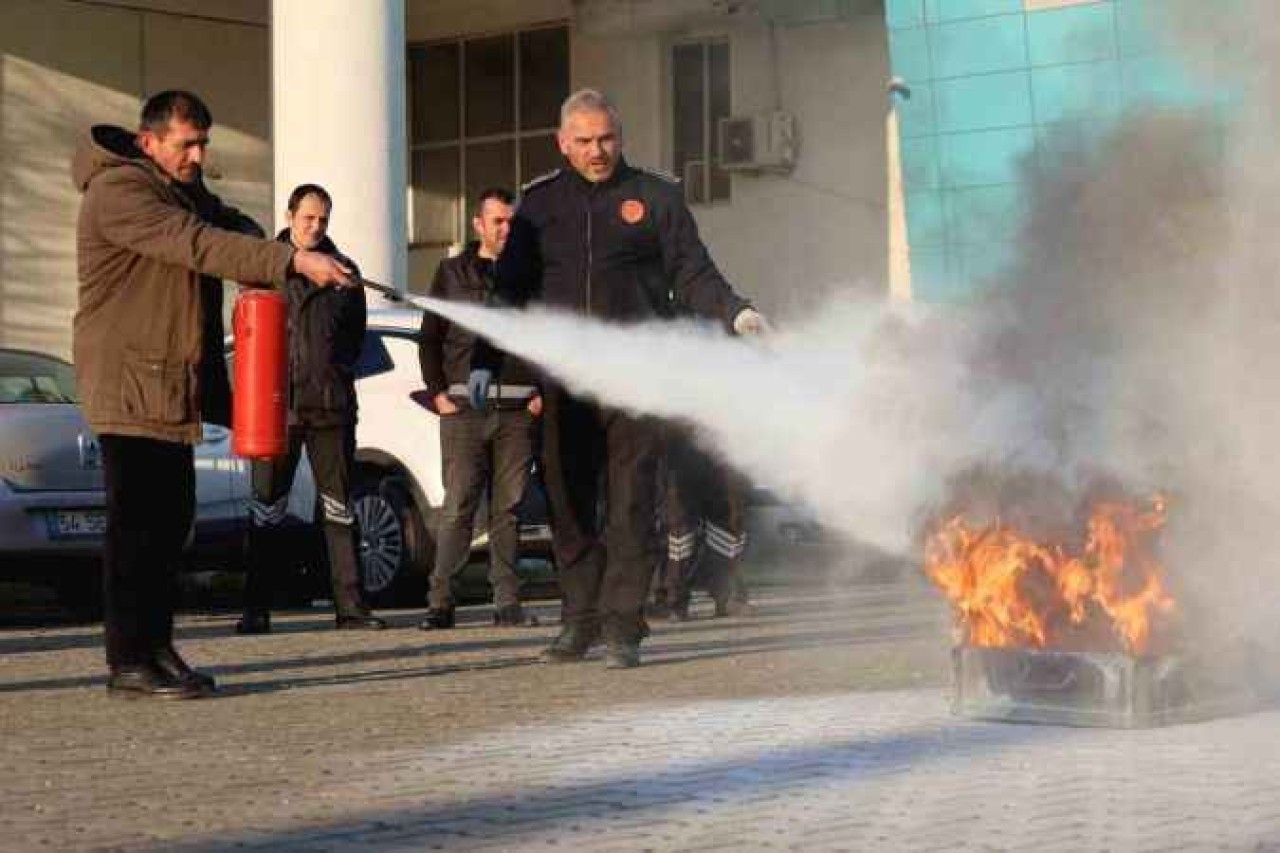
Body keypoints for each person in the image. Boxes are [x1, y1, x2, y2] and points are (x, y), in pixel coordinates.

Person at [471, 89, 769, 668]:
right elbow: (507, 292)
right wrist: (484, 359)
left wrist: (737, 311)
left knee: (632, 501)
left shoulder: (655, 197)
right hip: (565, 380)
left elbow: (694, 271)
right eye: (582, 141)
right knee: (569, 500)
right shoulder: (539, 205)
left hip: (637, 377)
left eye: (605, 139)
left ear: (620, 137)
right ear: (562, 143)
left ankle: (624, 625)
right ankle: (578, 622)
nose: (596, 151)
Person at [73, 90, 353, 699]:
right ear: (149, 142)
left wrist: (279, 250)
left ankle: (157, 648)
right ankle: (128, 661)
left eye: (202, 143)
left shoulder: (180, 190)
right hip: (128, 380)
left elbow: (230, 228)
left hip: (169, 381)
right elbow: (198, 244)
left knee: (171, 523)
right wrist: (292, 261)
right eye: (186, 144)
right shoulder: (119, 192)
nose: (198, 154)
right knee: (136, 527)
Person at [236, 184, 385, 635]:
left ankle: (351, 609)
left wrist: (335, 371)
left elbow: (355, 337)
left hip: (331, 409)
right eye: (308, 219)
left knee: (339, 509)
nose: (316, 227)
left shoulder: (346, 271)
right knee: (266, 510)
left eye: (323, 220)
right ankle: (256, 610)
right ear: (290, 215)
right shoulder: (266, 265)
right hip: (276, 410)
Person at [417, 188, 542, 630]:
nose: (505, 229)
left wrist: (538, 392)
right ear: (478, 225)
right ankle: (440, 602)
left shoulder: (531, 276)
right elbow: (430, 337)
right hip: (464, 411)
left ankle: (507, 604)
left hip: (516, 411)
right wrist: (437, 393)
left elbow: (547, 337)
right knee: (459, 506)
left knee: (508, 509)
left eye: (511, 222)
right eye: (497, 221)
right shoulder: (452, 273)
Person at [659, 428, 755, 621]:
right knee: (679, 527)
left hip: (727, 437)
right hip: (680, 437)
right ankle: (672, 599)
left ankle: (728, 596)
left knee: (729, 522)